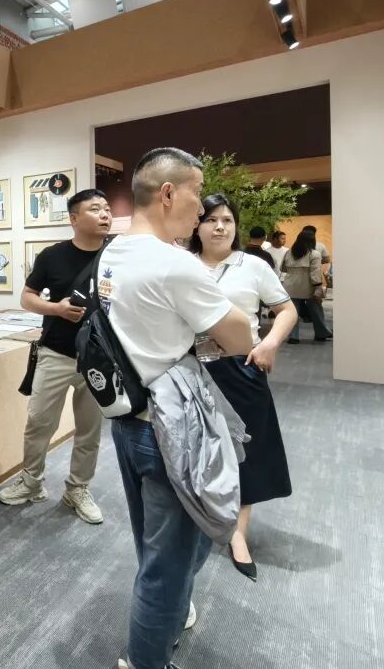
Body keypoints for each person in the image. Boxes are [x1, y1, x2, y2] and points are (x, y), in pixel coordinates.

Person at [102, 148, 253, 669]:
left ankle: (170, 613)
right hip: (171, 429)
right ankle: (144, 660)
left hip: (128, 420)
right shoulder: (174, 264)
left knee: (156, 544)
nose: (203, 208)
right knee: (168, 564)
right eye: (197, 193)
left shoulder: (112, 254)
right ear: (168, 193)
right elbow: (240, 336)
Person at [190, 195, 296, 581]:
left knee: (245, 452)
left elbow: (287, 310)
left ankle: (238, 534)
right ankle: (197, 516)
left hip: (240, 368)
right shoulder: (181, 264)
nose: (220, 227)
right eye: (211, 219)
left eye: (227, 220)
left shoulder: (252, 265)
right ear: (197, 225)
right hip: (189, 370)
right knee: (193, 447)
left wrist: (269, 344)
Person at [0, 189, 111, 524]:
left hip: (99, 357)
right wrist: (56, 309)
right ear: (74, 219)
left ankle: (78, 488)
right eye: (95, 209)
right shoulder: (52, 256)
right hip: (56, 352)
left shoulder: (118, 255)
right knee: (39, 422)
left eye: (106, 209)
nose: (105, 214)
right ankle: (31, 482)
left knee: (89, 429)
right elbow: (27, 297)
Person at [281, 230, 332, 343]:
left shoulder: (289, 252)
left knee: (292, 312)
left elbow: (283, 268)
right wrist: (318, 287)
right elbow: (315, 273)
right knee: (316, 310)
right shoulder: (314, 254)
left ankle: (293, 336)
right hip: (308, 286)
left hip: (290, 285)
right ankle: (321, 333)